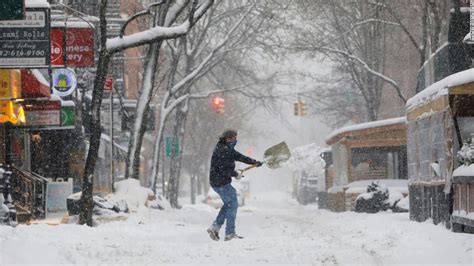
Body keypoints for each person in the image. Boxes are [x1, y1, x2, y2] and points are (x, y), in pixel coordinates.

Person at [207, 129, 262, 241]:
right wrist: (234, 174)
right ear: (228, 139)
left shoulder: (227, 148)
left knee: (229, 204)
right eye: (234, 138)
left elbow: (240, 156)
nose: (236, 140)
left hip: (220, 182)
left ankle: (215, 227)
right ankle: (230, 233)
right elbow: (223, 169)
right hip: (220, 182)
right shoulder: (223, 150)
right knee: (233, 203)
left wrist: (254, 162)